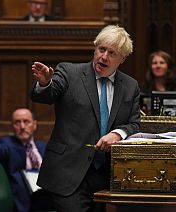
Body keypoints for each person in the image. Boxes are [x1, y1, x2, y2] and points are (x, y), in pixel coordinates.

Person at [31, 25, 140, 211]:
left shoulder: (130, 86)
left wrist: (117, 134)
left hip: (107, 176)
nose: (104, 56)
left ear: (122, 58)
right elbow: (48, 94)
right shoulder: (69, 72)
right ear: (95, 48)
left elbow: (135, 123)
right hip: (68, 171)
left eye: (111, 53)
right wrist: (45, 83)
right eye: (101, 49)